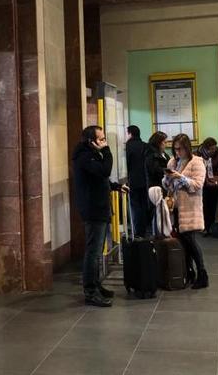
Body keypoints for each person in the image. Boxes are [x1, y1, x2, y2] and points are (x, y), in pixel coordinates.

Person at [72, 125, 126, 307]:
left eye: (104, 139)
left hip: (100, 207)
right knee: (93, 253)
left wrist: (116, 187)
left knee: (96, 251)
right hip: (93, 208)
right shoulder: (83, 156)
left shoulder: (91, 155)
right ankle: (90, 291)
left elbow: (99, 179)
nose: (104, 142)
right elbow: (104, 170)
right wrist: (108, 150)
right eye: (101, 139)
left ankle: (96, 285)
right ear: (91, 141)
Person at [163, 133, 208, 289]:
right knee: (183, 243)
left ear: (187, 148)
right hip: (175, 208)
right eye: (175, 149)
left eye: (180, 149)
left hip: (190, 208)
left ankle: (202, 274)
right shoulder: (172, 162)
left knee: (191, 242)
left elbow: (197, 185)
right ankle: (189, 273)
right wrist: (168, 178)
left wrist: (180, 177)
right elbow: (167, 186)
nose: (177, 152)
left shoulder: (197, 162)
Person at [196, 137, 218, 235]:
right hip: (203, 185)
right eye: (211, 149)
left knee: (213, 206)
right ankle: (203, 227)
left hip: (215, 184)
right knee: (204, 206)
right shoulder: (197, 155)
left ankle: (210, 227)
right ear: (205, 148)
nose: (213, 151)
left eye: (215, 148)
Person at [125, 125, 151, 237]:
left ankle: (137, 232)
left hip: (133, 181)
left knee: (135, 206)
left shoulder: (128, 146)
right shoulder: (146, 145)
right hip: (145, 180)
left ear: (130, 133)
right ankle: (144, 230)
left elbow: (127, 164)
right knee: (144, 205)